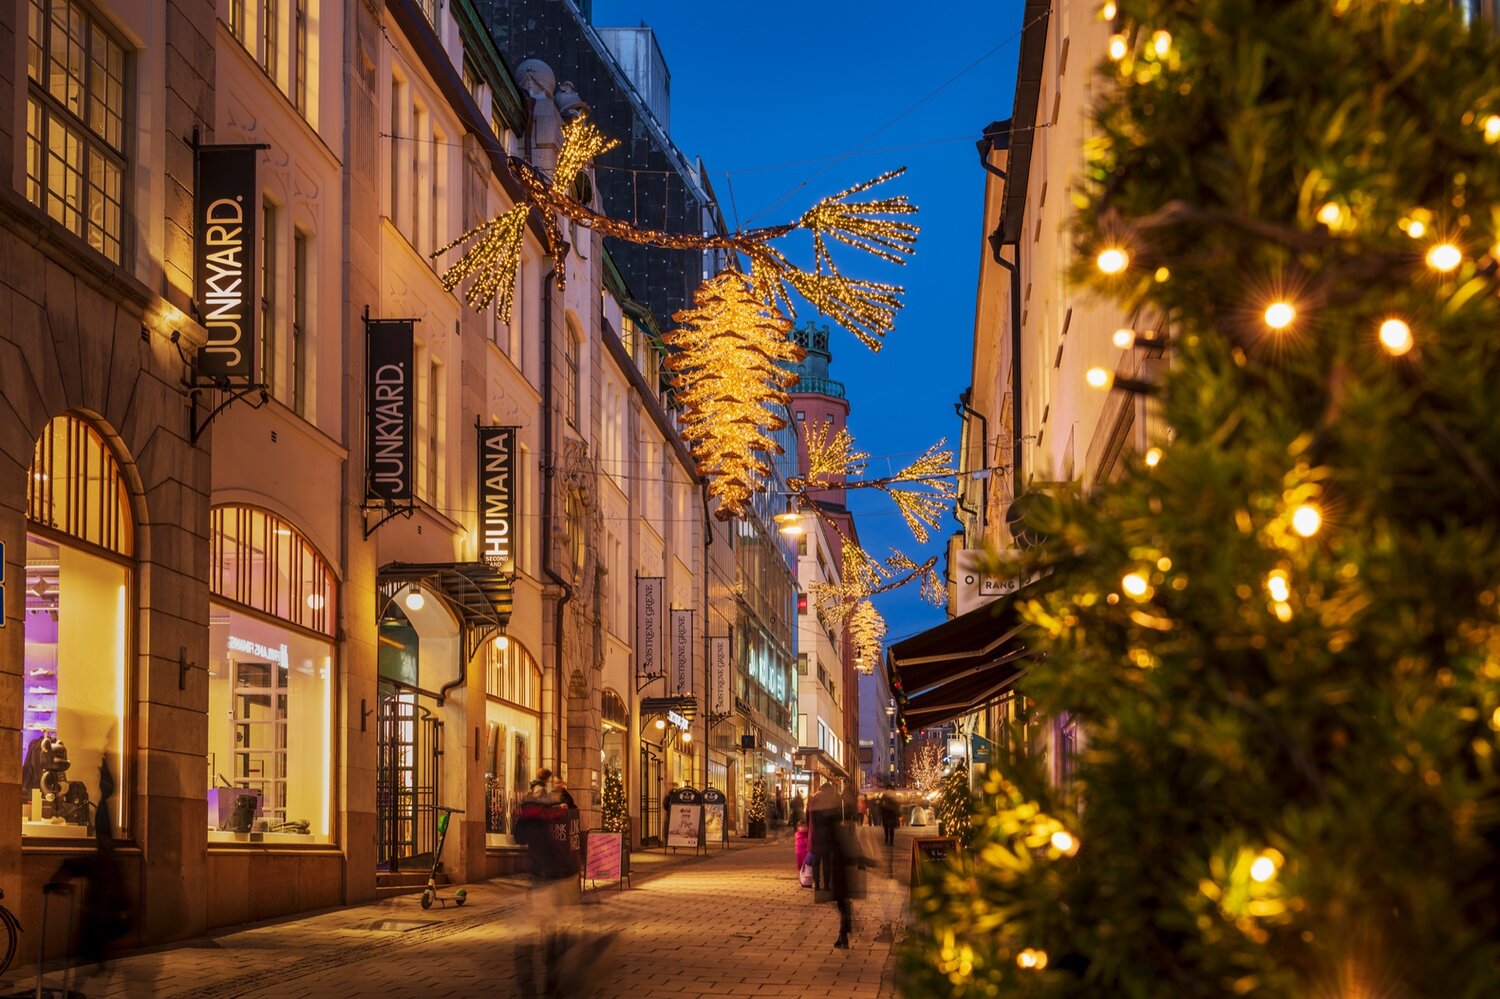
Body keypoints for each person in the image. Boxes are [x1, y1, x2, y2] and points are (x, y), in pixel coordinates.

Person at [807, 782, 840, 892]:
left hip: (816, 834)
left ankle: (816, 884)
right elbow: (835, 819)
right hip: (827, 835)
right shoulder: (830, 800)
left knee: (816, 861)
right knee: (826, 862)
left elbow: (807, 817)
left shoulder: (813, 799)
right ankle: (826, 885)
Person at [794, 820, 811, 885]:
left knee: (807, 867)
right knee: (800, 866)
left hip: (806, 853)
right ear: (798, 827)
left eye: (805, 826)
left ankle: (806, 879)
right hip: (800, 853)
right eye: (801, 826)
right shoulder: (798, 835)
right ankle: (801, 879)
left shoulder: (808, 834)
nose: (803, 828)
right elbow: (802, 843)